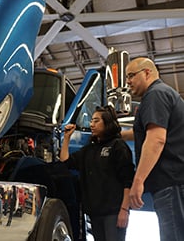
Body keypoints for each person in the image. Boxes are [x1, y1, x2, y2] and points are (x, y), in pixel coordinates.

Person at [123, 57, 184, 241]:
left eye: (131, 75)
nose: (127, 81)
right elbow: (151, 130)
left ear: (147, 73)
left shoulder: (154, 94)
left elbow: (156, 138)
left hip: (170, 182)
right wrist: (121, 135)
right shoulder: (167, 93)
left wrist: (138, 181)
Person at [60, 106, 135, 241]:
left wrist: (124, 210)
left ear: (107, 123)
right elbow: (66, 161)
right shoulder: (89, 150)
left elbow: (127, 181)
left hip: (114, 212)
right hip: (95, 213)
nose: (91, 124)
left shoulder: (118, 146)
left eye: (96, 121)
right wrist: (66, 138)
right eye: (91, 121)